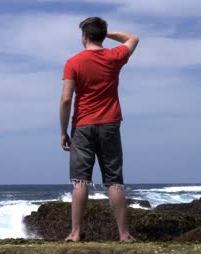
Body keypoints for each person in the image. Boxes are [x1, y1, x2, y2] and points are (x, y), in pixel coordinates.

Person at [59, 17, 139, 242]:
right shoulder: (114, 56)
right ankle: (124, 234)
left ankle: (75, 233)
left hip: (83, 125)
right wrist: (107, 34)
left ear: (84, 36)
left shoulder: (73, 62)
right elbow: (133, 38)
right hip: (110, 123)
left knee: (81, 180)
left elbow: (66, 99)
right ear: (101, 36)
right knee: (114, 180)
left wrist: (63, 131)